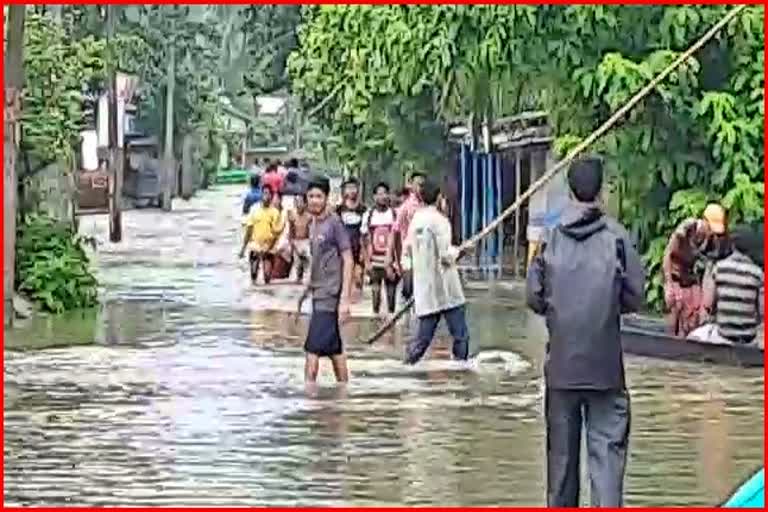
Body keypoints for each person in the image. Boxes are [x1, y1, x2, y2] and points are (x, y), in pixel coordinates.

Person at [526, 157, 645, 508]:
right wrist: (607, 307)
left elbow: (533, 297)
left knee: (561, 466)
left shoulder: (549, 238)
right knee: (607, 464)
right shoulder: (617, 237)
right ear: (601, 190)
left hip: (562, 369)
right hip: (606, 370)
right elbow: (635, 296)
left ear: (570, 191)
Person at [403, 179, 469, 365]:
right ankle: (460, 369)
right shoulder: (440, 221)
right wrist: (461, 250)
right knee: (461, 335)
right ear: (439, 198)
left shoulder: (416, 220)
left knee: (423, 339)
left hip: (425, 288)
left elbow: (407, 252)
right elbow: (446, 256)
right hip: (446, 287)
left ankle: (407, 365)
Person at [298, 178, 353, 383]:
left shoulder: (334, 223)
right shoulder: (313, 224)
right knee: (334, 350)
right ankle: (343, 394)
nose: (314, 201)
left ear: (326, 198)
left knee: (312, 350)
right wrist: (306, 290)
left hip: (330, 296)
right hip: (318, 294)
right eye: (311, 196)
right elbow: (317, 262)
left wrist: (345, 301)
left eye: (318, 196)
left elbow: (348, 259)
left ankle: (309, 400)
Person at [690, 225, 764, 345]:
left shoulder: (719, 268)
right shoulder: (757, 273)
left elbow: (708, 304)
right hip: (748, 339)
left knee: (694, 336)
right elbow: (763, 311)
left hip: (723, 336)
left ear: (733, 245)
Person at [662, 215, 715, 337]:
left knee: (694, 312)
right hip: (675, 273)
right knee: (675, 304)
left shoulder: (710, 239)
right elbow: (668, 255)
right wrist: (669, 284)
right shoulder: (687, 228)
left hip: (691, 276)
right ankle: (669, 339)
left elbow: (709, 267)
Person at [361, 182, 399, 318]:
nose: (382, 196)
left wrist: (396, 263)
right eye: (379, 193)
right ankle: (375, 322)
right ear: (374, 196)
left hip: (391, 262)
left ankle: (391, 324)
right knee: (375, 296)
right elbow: (363, 239)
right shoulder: (368, 215)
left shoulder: (395, 214)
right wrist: (366, 262)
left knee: (391, 295)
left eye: (385, 193)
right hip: (374, 261)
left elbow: (398, 239)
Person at [389, 172, 425, 302]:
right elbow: (394, 231)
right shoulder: (406, 207)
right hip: (408, 254)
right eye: (418, 184)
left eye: (423, 185)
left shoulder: (427, 206)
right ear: (411, 185)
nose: (421, 188)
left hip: (424, 254)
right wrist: (390, 258)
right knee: (408, 287)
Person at [239, 185, 284, 285]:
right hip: (256, 245)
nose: (266, 196)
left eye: (268, 194)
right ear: (261, 195)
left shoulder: (275, 212)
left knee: (267, 277)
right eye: (264, 193)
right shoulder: (254, 210)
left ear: (272, 196)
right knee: (253, 275)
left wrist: (269, 247)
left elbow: (277, 233)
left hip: (269, 246)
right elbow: (249, 230)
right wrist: (243, 248)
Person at [335, 177, 368, 291]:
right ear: (344, 191)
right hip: (343, 248)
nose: (352, 191)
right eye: (348, 188)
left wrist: (364, 252)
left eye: (354, 187)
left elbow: (365, 233)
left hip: (358, 247)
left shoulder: (363, 210)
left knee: (358, 278)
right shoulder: (338, 210)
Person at [288, 194, 313, 284]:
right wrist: (291, 242)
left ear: (305, 204)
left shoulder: (309, 216)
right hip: (296, 241)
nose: (299, 204)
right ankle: (299, 277)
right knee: (297, 263)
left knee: (309, 260)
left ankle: (309, 278)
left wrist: (310, 242)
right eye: (297, 202)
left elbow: (311, 231)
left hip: (306, 241)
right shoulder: (292, 215)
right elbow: (291, 230)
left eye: (301, 202)